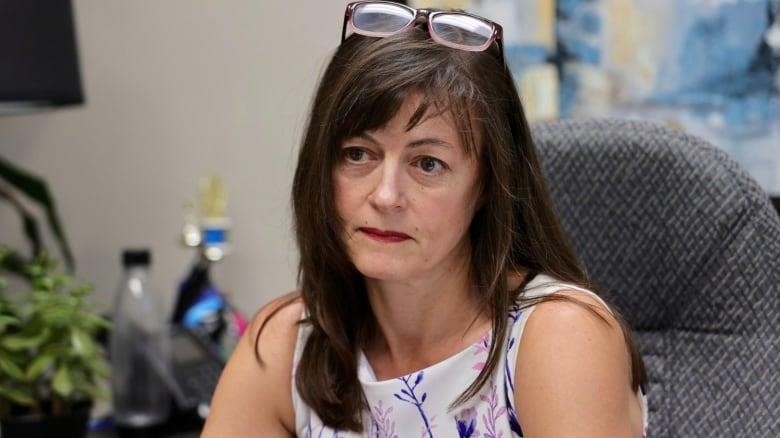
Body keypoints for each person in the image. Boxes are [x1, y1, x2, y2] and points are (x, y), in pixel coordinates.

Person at [203, 1, 648, 436]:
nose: (386, 195)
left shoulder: (561, 337)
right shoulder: (287, 344)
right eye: (359, 155)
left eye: (428, 164)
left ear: (488, 185)